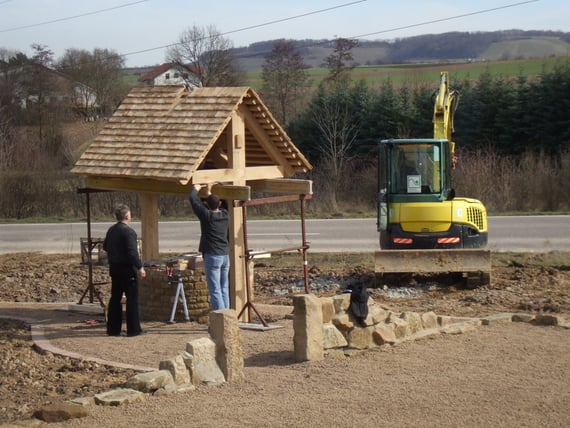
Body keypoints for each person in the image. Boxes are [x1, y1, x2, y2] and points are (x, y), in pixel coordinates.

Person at [103, 204, 146, 337]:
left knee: (115, 298)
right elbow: (133, 253)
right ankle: (133, 329)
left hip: (114, 268)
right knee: (132, 299)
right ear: (127, 216)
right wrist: (140, 267)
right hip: (127, 269)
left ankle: (113, 329)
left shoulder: (111, 230)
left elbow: (105, 246)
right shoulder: (129, 232)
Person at [189, 183, 230, 310]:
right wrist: (209, 192)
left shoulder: (206, 216)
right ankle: (227, 316)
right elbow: (218, 204)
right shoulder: (225, 215)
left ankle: (221, 320)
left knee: (215, 290)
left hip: (212, 256)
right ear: (219, 204)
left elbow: (193, 200)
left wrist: (196, 188)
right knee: (224, 288)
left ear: (206, 204)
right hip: (225, 256)